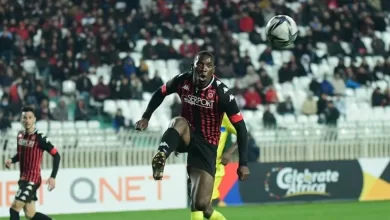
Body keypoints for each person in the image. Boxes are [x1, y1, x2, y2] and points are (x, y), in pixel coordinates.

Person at [135, 51, 250, 220]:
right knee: (179, 121)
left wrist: (243, 164)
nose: (203, 68)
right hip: (186, 135)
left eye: (208, 65)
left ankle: (218, 217)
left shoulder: (222, 94)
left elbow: (241, 128)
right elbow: (160, 92)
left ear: (213, 70)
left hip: (207, 145)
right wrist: (146, 117)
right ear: (193, 66)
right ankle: (161, 155)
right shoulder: (182, 80)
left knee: (201, 204)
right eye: (200, 64)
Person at [5, 106, 61, 220]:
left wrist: (53, 177)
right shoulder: (20, 136)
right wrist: (12, 160)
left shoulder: (39, 138)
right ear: (21, 119)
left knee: (14, 208)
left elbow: (57, 155)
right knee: (30, 214)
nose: (27, 120)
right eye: (24, 118)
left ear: (34, 119)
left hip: (32, 179)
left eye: (30, 117)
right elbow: (21, 154)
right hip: (23, 178)